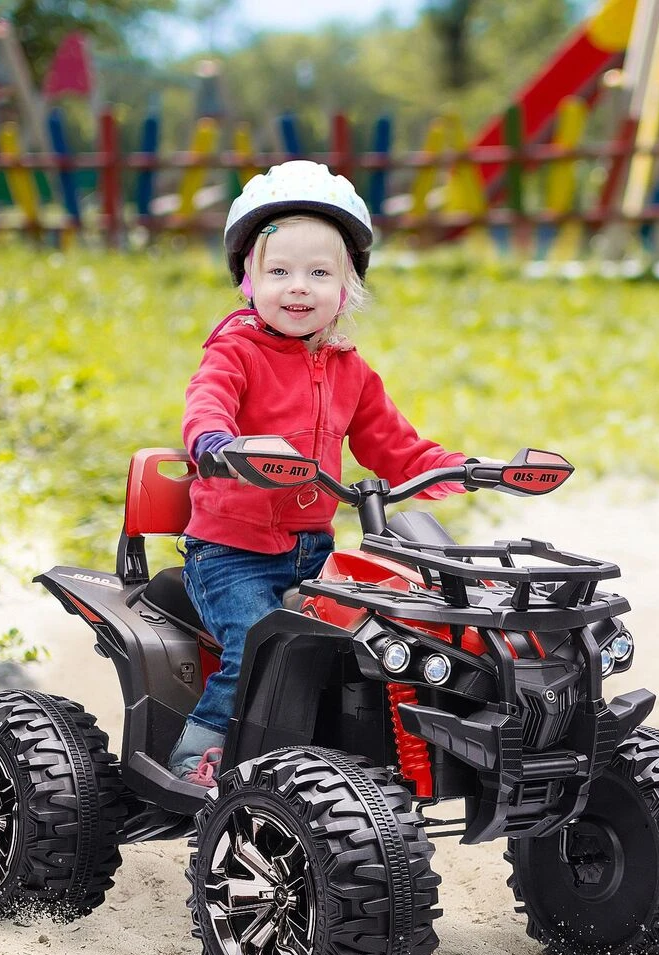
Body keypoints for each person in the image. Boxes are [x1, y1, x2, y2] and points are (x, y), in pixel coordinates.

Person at [168, 160, 487, 785]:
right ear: (247, 281)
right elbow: (207, 403)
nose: (299, 288)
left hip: (314, 549)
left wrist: (466, 470)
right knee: (255, 648)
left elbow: (397, 449)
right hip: (230, 553)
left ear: (347, 287)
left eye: (320, 273)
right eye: (279, 271)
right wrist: (213, 442)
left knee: (370, 643)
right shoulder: (234, 352)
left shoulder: (350, 370)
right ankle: (197, 754)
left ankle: (351, 758)